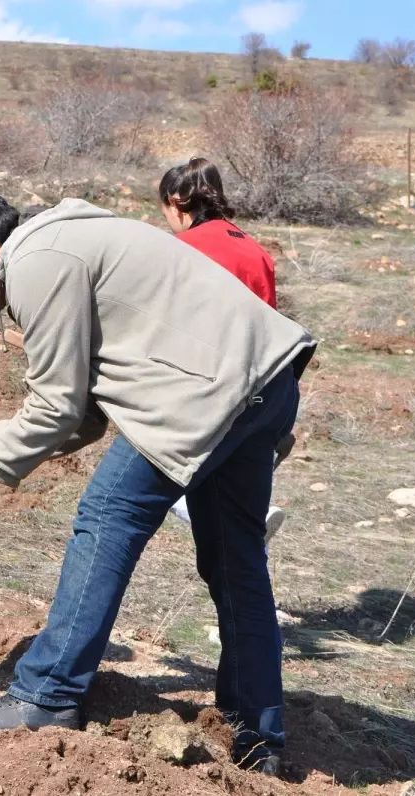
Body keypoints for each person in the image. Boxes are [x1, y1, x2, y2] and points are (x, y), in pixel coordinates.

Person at [0, 190, 315, 775]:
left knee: (105, 520)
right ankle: (258, 735)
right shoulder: (70, 238)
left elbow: (55, 407)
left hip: (202, 396)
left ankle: (45, 696)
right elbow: (82, 411)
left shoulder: (32, 261)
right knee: (236, 562)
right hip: (265, 384)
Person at [158, 157, 292, 539]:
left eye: (165, 210)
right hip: (262, 383)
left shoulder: (183, 248)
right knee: (233, 486)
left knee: (153, 474)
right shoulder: (254, 249)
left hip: (206, 378)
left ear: (176, 200)